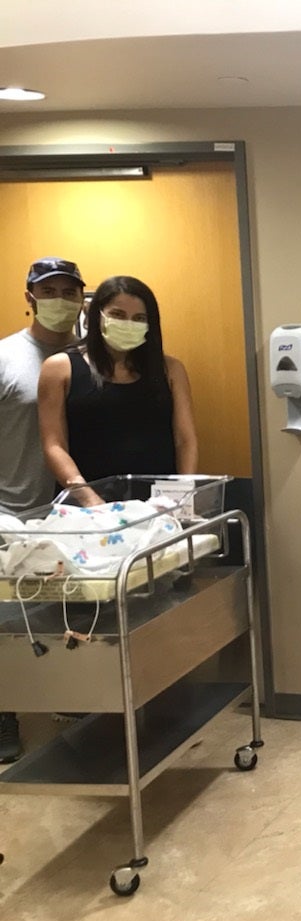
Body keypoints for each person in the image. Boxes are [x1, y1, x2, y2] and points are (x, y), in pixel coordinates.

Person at [0, 257, 86, 763]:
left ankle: (70, 700)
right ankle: (5, 715)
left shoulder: (89, 359)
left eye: (68, 291)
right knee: (6, 619)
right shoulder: (8, 357)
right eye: (48, 291)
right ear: (29, 297)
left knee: (69, 613)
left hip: (67, 512)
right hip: (10, 506)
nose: (59, 300)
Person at [37, 275, 197, 494]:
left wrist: (183, 495)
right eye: (118, 315)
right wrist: (88, 500)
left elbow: (185, 440)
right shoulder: (59, 368)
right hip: (87, 506)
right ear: (97, 316)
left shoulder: (170, 369)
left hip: (158, 504)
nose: (128, 324)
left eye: (139, 318)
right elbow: (54, 446)